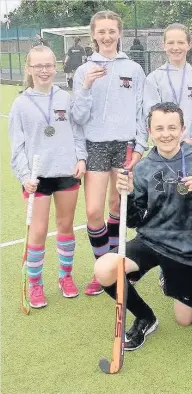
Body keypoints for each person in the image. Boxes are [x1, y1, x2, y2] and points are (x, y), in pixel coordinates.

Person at [94, 102, 192, 351]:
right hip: (151, 240)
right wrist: (125, 196)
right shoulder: (144, 168)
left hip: (188, 248)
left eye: (172, 127)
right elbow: (136, 220)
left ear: (182, 129)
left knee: (184, 320)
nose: (166, 133)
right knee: (104, 268)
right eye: (159, 128)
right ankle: (145, 317)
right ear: (150, 131)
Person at [71, 10, 147, 296]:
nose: (106, 36)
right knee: (93, 211)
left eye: (111, 31)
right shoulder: (83, 70)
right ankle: (101, 266)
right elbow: (77, 117)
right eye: (101, 32)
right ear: (93, 35)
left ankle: (113, 267)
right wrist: (87, 86)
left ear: (119, 33)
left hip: (125, 145)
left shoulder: (133, 69)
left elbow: (142, 112)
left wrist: (139, 147)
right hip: (96, 146)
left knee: (117, 207)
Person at [8, 45, 87, 308]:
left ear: (56, 66)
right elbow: (16, 146)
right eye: (38, 66)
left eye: (48, 65)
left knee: (65, 227)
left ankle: (65, 277)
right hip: (36, 178)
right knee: (39, 232)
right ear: (29, 69)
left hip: (66, 172)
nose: (44, 70)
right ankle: (36, 285)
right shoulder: (20, 104)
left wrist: (81, 158)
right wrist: (23, 177)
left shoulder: (65, 97)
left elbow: (77, 132)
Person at [144, 23, 192, 151]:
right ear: (163, 45)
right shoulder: (154, 78)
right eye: (170, 43)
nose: (176, 47)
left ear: (189, 45)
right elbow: (152, 116)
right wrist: (167, 142)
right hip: (166, 150)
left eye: (180, 42)